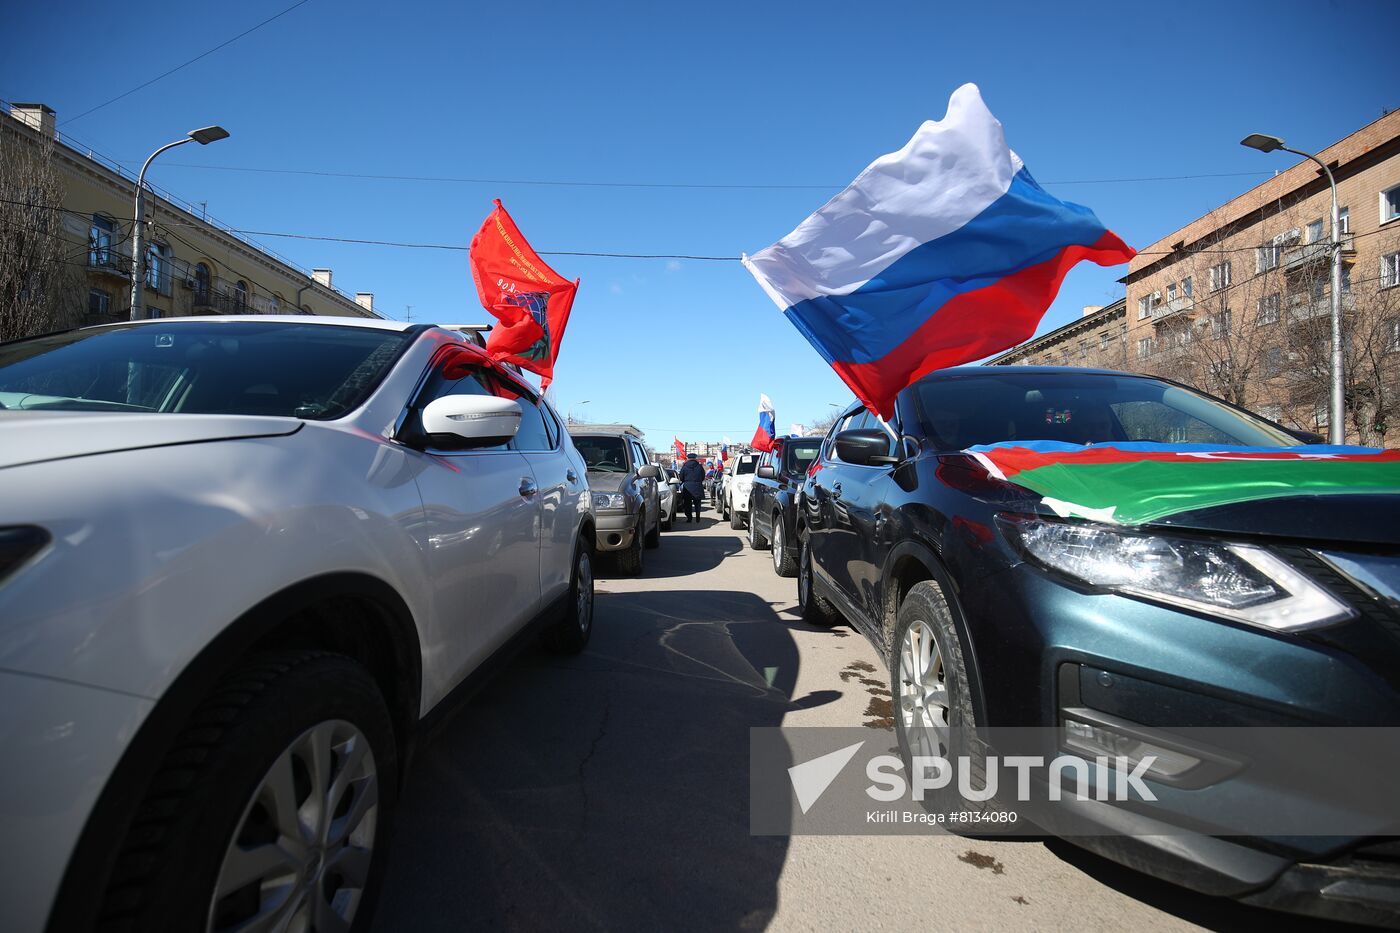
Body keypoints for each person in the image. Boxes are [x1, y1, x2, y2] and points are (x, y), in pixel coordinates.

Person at [678, 452, 706, 523]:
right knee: (697, 503)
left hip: (688, 487)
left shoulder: (684, 466)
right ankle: (697, 516)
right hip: (697, 486)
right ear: (695, 458)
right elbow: (703, 476)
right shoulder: (699, 466)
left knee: (687, 504)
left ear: (688, 458)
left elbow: (681, 477)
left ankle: (689, 518)